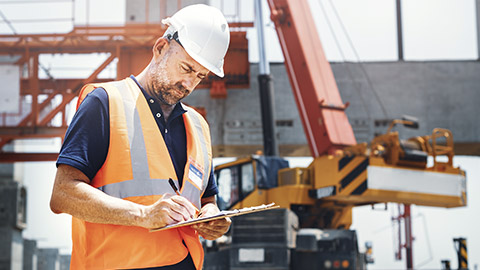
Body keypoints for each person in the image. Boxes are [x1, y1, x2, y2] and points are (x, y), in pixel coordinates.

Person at [49, 4, 231, 270]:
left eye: (200, 76)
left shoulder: (198, 126)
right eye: (186, 68)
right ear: (160, 48)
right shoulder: (104, 103)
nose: (189, 84)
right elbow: (62, 194)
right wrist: (143, 215)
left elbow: (207, 199)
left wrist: (212, 217)